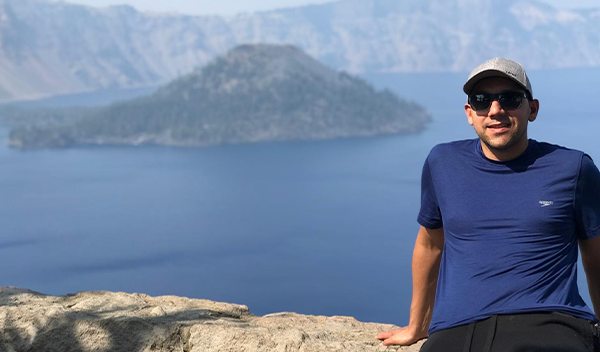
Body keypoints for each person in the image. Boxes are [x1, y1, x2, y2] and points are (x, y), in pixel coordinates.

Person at [376, 57, 600, 351]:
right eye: (482, 101)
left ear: (532, 109)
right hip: (458, 328)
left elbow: (596, 258)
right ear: (470, 113)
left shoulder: (574, 168)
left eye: (509, 98)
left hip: (551, 324)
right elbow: (430, 245)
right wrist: (418, 324)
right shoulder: (442, 163)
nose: (495, 110)